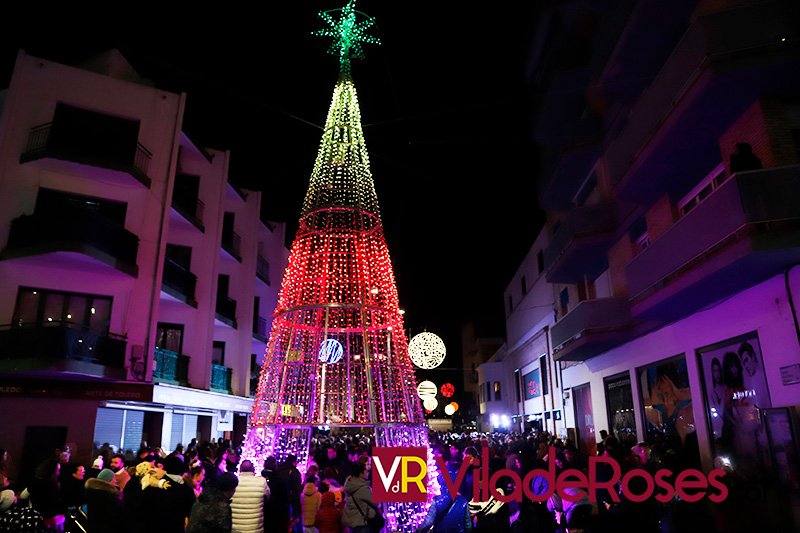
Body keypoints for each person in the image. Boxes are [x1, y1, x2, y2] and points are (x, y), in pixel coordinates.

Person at [230, 460, 268, 533]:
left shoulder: (233, 481)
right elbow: (268, 496)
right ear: (253, 469)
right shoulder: (261, 481)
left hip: (235, 528)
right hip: (255, 528)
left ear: (240, 469)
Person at [341, 462, 377, 533]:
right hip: (361, 521)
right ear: (361, 474)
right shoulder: (362, 488)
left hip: (351, 519)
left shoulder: (349, 484)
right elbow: (376, 503)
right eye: (366, 471)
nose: (368, 473)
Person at [84, 469, 122, 533]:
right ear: (108, 481)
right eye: (114, 478)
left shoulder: (91, 492)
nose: (115, 481)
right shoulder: (109, 497)